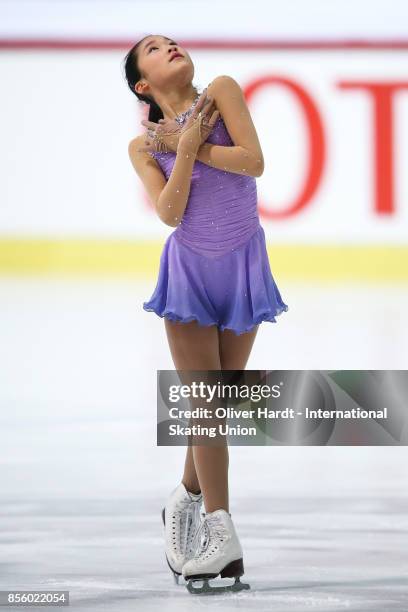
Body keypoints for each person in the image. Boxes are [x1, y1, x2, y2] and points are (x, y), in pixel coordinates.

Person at [123, 34, 288, 594]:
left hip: (243, 265)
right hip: (191, 273)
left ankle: (184, 499)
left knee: (219, 399)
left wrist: (194, 136)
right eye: (153, 48)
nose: (169, 46)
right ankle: (222, 531)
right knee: (207, 402)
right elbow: (170, 213)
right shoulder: (142, 148)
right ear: (142, 84)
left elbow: (253, 163)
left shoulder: (220, 91)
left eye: (171, 40)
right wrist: (183, 147)